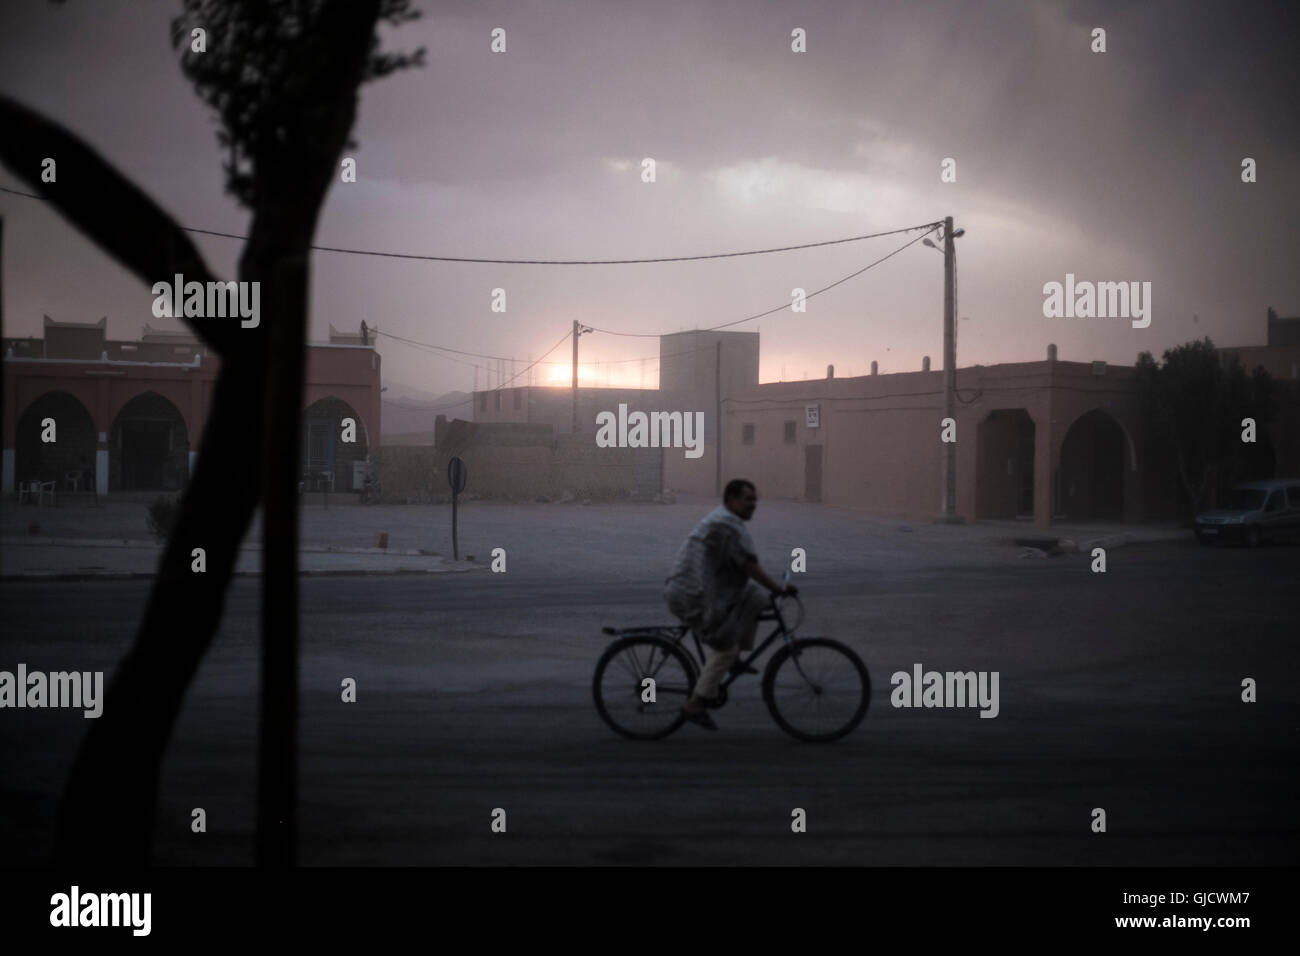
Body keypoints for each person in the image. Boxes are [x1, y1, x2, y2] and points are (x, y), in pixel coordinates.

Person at [663, 479, 796, 730]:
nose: (753, 505)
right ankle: (694, 704)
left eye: (755, 500)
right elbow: (749, 566)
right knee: (725, 648)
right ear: (731, 500)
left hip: (704, 589)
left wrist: (769, 592)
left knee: (755, 598)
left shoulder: (726, 519)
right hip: (691, 595)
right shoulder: (728, 525)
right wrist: (778, 589)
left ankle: (734, 657)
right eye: (748, 500)